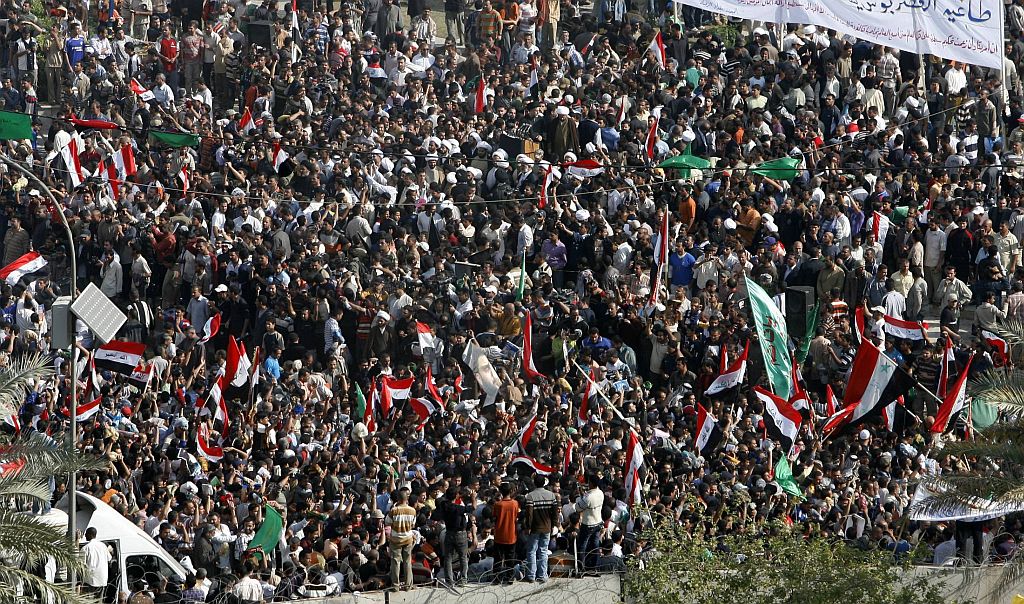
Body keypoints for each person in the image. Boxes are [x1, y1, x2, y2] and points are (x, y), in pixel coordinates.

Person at [524, 473, 558, 582]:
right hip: (547, 528)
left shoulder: (530, 496)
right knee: (543, 551)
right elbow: (555, 513)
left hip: (535, 528)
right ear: (544, 483)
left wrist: (528, 526)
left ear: (534, 483)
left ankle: (531, 575)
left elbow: (529, 514)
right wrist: (555, 525)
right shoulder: (551, 495)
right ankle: (543, 575)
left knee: (532, 551)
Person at [385, 489, 417, 591]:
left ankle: (395, 586)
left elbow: (387, 522)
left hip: (396, 540)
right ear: (407, 498)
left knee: (395, 562)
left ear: (398, 499)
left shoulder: (394, 510)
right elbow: (412, 525)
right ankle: (408, 585)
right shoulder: (413, 510)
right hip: (408, 539)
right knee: (407, 562)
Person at [81, 527, 112, 596]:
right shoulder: (103, 546)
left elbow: (81, 564)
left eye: (86, 534)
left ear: (90, 534)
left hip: (90, 580)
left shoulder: (86, 548)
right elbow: (109, 558)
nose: (85, 535)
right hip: (102, 579)